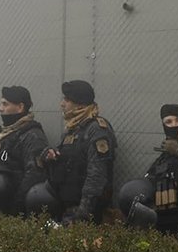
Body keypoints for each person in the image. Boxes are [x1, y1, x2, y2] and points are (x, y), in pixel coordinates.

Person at [27, 79, 116, 224]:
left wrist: (83, 214)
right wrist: (49, 155)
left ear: (80, 104)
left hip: (84, 211)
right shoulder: (74, 128)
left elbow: (97, 175)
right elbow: (67, 158)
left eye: (67, 100)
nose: (62, 104)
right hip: (65, 205)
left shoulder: (97, 130)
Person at [119, 103, 178, 233]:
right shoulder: (164, 157)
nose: (174, 125)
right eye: (168, 122)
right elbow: (149, 183)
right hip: (163, 224)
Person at [0, 85, 46, 213]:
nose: (0, 109)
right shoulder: (2, 133)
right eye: (1, 104)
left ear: (20, 107)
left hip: (12, 205)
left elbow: (34, 174)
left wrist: (16, 205)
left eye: (5, 104)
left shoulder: (32, 135)